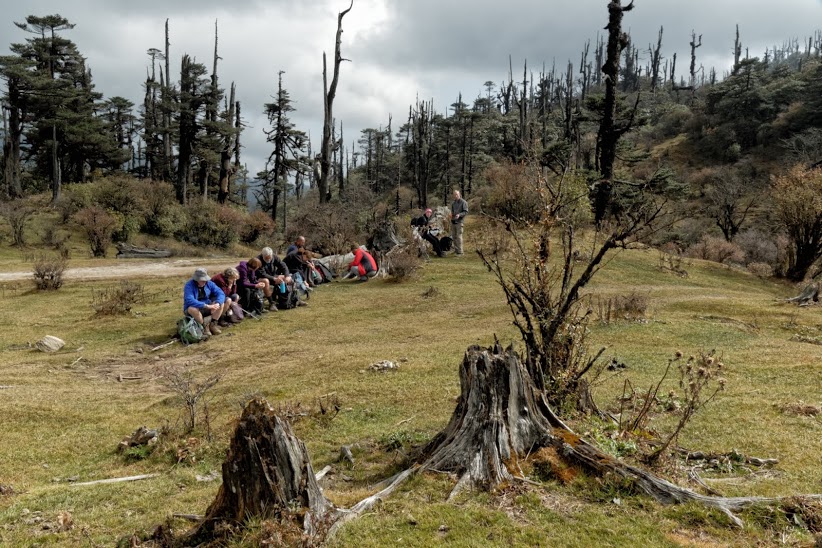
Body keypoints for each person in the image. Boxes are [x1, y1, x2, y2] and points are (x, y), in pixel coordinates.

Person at [183, 268, 226, 337]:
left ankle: (213, 325)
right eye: (202, 280)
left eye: (205, 279)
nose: (204, 281)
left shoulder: (209, 283)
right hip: (194, 308)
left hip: (207, 306)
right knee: (192, 309)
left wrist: (217, 303)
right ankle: (203, 327)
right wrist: (206, 306)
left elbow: (221, 293)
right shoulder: (189, 285)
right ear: (196, 279)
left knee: (221, 304)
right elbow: (189, 300)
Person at [450, 189, 468, 256]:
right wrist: (451, 215)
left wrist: (459, 215)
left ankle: (460, 252)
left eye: (456, 194)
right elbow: (452, 212)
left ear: (459, 194)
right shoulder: (453, 203)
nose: (455, 196)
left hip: (460, 222)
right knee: (454, 237)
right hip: (453, 221)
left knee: (459, 237)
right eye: (454, 195)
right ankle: (456, 251)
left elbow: (465, 211)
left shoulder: (463, 202)